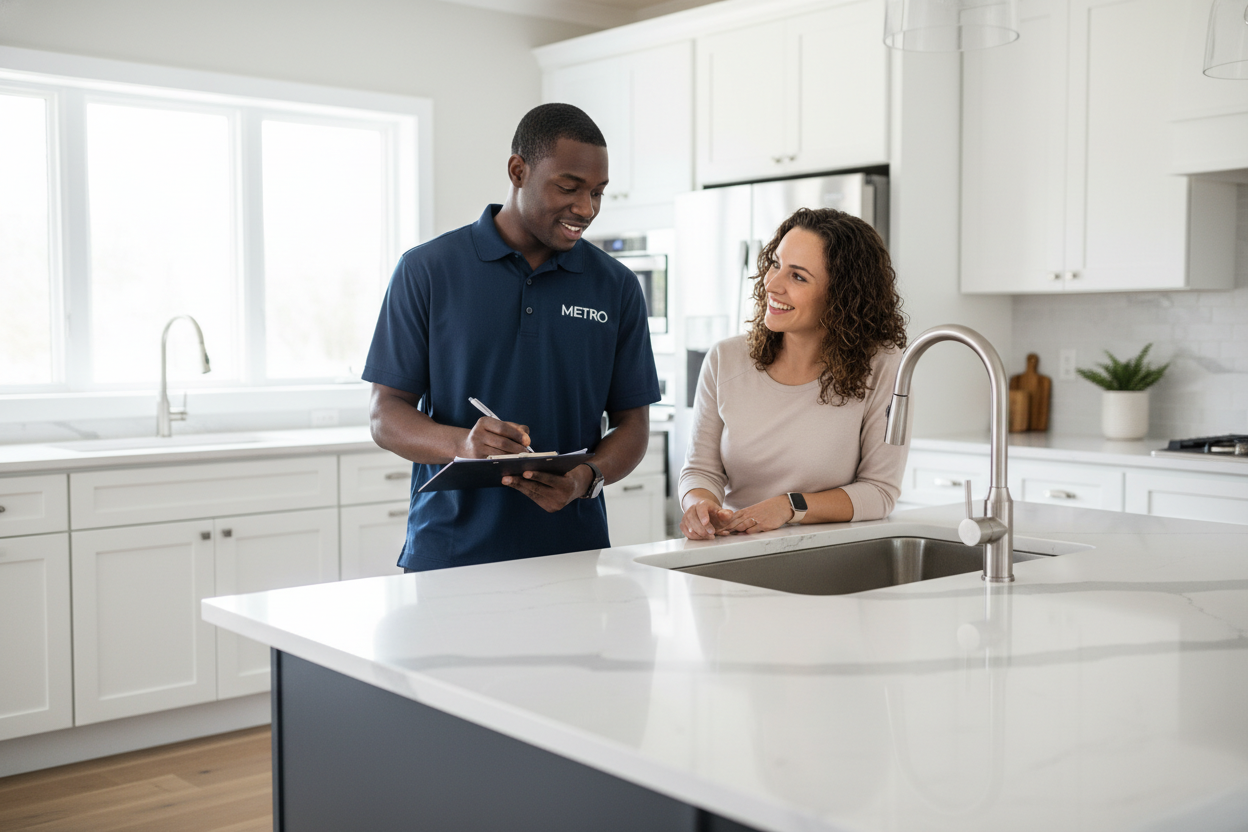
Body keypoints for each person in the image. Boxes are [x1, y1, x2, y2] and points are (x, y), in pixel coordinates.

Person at [364, 103, 660, 571]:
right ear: (518, 170)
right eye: (569, 187)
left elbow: (633, 426)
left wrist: (585, 478)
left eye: (598, 193)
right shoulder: (427, 270)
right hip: (449, 557)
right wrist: (462, 445)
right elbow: (386, 415)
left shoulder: (617, 286)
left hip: (575, 556)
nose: (586, 209)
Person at [678, 207, 908, 540]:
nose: (772, 283)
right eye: (775, 264)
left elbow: (880, 492)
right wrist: (700, 505)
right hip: (730, 550)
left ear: (841, 296)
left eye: (797, 276)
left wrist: (790, 507)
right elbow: (700, 470)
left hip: (832, 554)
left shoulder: (883, 367)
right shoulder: (725, 359)